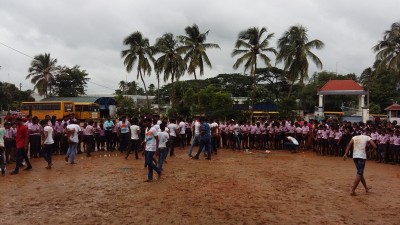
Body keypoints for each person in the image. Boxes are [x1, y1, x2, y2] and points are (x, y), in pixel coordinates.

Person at [143, 118, 161, 182]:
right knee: (149, 163)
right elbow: (146, 138)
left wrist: (157, 149)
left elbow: (157, 139)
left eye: (147, 122)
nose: (146, 123)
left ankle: (158, 171)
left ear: (150, 123)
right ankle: (150, 178)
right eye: (145, 122)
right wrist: (144, 144)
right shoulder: (146, 129)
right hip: (147, 147)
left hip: (152, 147)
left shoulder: (153, 129)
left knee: (148, 162)